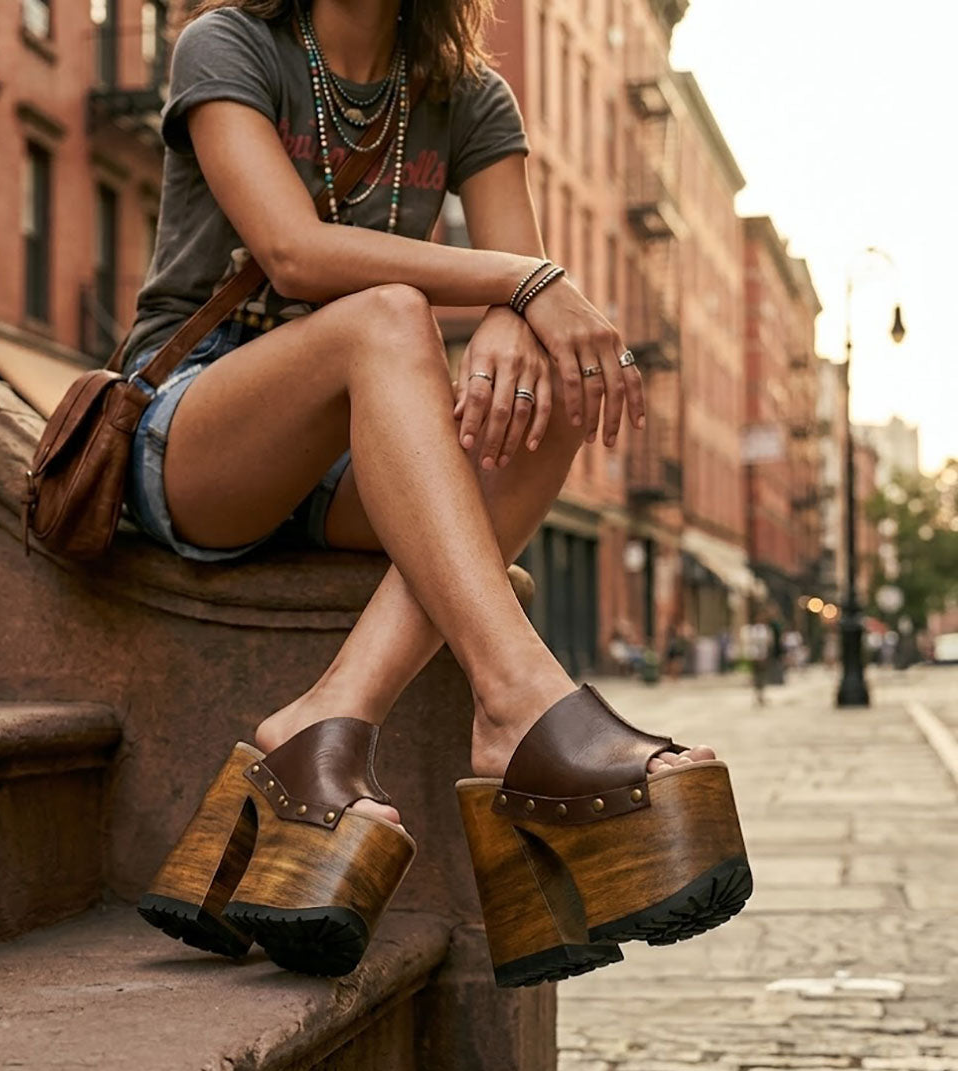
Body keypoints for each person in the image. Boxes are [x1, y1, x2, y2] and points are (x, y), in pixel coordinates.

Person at [120, 0, 749, 987]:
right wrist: (516, 283)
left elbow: (533, 295)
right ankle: (521, 699)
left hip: (349, 458)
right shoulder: (228, 43)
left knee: (558, 390)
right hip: (196, 428)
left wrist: (519, 312)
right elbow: (293, 252)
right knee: (388, 316)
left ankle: (331, 715)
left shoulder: (468, 96)